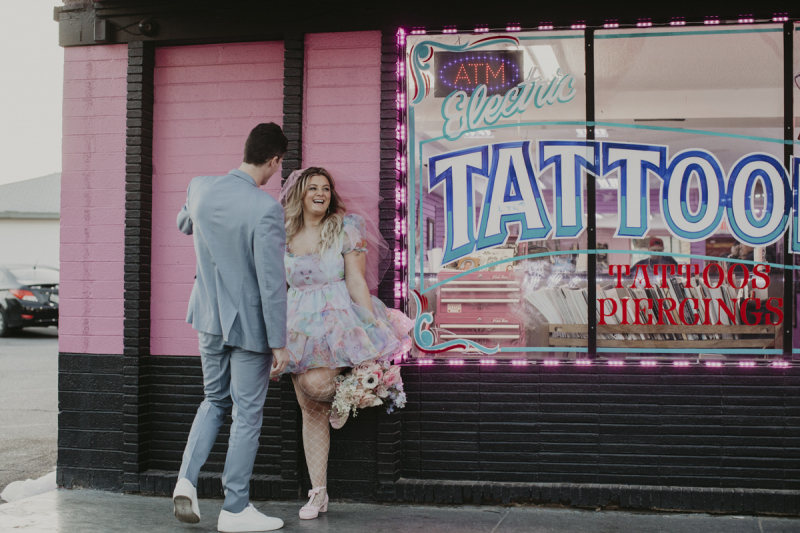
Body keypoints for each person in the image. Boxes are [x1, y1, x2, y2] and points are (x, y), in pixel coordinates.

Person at [172, 123, 289, 533]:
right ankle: (235, 508)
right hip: (250, 328)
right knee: (247, 414)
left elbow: (184, 225)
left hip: (207, 317)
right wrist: (280, 343)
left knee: (213, 400)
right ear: (274, 160)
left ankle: (186, 479)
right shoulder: (266, 209)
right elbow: (272, 283)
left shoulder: (199, 187)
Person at [279, 167, 413, 520]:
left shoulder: (345, 227)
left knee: (315, 386)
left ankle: (345, 396)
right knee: (309, 408)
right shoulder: (285, 233)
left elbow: (355, 279)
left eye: (326, 188)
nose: (320, 193)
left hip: (335, 318)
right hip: (296, 323)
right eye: (313, 188)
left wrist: (370, 327)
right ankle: (318, 493)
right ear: (300, 195)